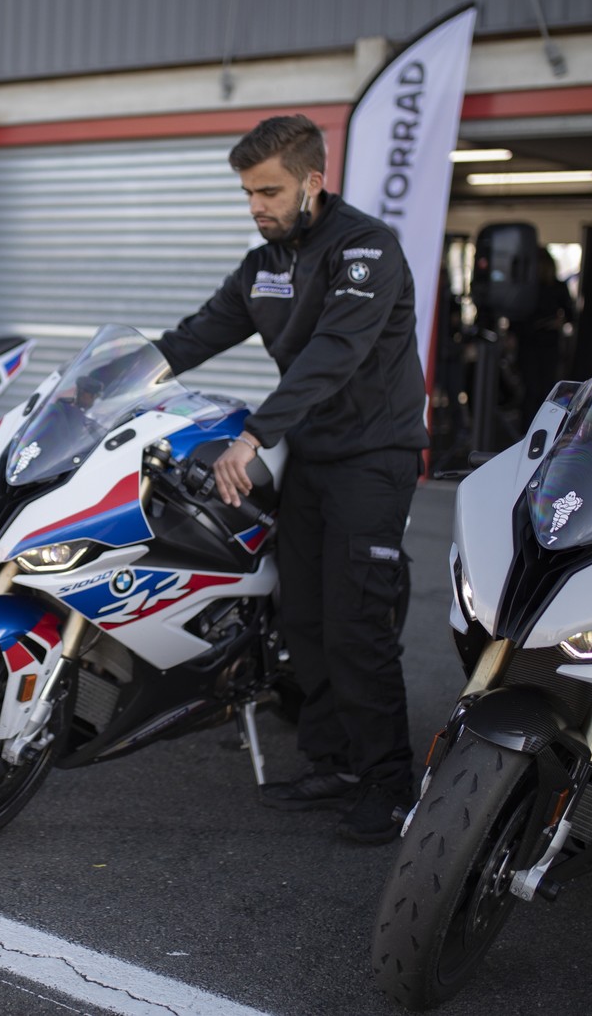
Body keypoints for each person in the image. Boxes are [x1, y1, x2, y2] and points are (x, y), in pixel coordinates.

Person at [154, 115, 428, 844]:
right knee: (302, 615)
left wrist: (253, 435)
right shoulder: (264, 264)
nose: (257, 206)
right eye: (248, 193)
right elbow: (196, 333)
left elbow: (333, 353)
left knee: (356, 624)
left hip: (374, 457)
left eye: (269, 191)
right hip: (311, 454)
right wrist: (107, 383)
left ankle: (391, 784)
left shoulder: (367, 249)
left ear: (313, 181)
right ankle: (331, 762)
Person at [511, 246, 571, 424]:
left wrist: (557, 322)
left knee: (545, 389)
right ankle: (528, 426)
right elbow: (516, 317)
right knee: (532, 389)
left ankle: (542, 425)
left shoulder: (556, 287)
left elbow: (569, 314)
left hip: (546, 343)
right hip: (529, 342)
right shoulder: (526, 287)